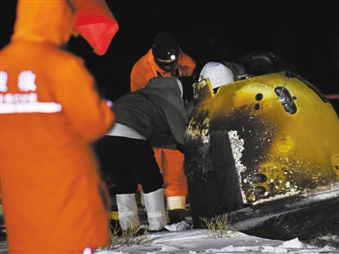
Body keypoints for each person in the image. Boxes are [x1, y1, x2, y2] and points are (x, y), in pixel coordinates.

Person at [0, 1, 115, 253]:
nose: (73, 29)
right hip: (64, 193)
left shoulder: (3, 63)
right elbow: (95, 124)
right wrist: (104, 105)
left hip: (19, 196)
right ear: (56, 17)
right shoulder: (61, 66)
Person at [96, 76, 188, 231]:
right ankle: (158, 224)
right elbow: (182, 132)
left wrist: (174, 145)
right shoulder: (171, 98)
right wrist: (189, 146)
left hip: (104, 134)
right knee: (151, 178)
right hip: (128, 133)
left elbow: (148, 134)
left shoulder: (142, 95)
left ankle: (129, 226)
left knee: (124, 181)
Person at [129, 32, 196, 223]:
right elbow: (139, 101)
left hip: (177, 120)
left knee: (176, 167)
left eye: (171, 62)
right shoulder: (140, 69)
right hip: (151, 122)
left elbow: (191, 95)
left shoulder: (188, 63)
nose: (168, 66)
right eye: (163, 63)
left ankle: (177, 214)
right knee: (151, 166)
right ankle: (153, 212)